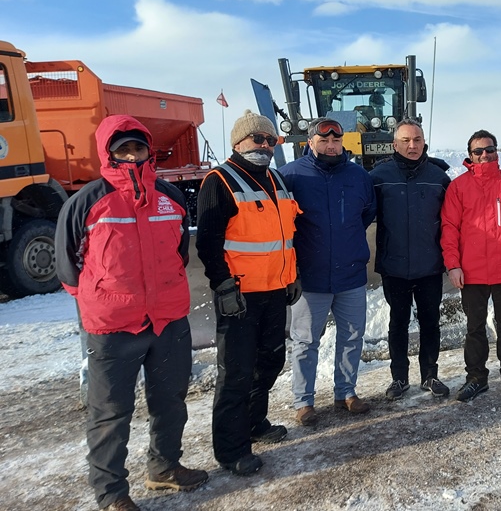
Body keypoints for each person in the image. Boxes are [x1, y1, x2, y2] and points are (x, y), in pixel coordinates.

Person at [56, 115, 207, 511]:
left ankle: (164, 468)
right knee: (110, 414)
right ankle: (111, 494)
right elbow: (67, 266)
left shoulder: (170, 197)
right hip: (113, 327)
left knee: (171, 400)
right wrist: (101, 298)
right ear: (108, 153)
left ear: (148, 151)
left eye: (137, 147)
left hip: (168, 320)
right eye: (121, 148)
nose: (131, 155)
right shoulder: (87, 201)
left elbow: (179, 252)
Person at [196, 110, 300, 476]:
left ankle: (255, 423)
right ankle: (230, 448)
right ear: (238, 142)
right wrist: (222, 285)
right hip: (239, 296)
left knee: (270, 361)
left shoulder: (276, 180)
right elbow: (208, 241)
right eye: (258, 139)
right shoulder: (219, 181)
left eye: (270, 140)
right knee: (236, 372)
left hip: (274, 290)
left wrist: (292, 274)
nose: (265, 146)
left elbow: (286, 235)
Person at [280, 117, 376, 422]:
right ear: (310, 142)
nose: (331, 146)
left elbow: (366, 214)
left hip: (350, 275)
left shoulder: (359, 176)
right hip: (310, 277)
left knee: (352, 336)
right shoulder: (291, 176)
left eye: (336, 141)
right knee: (306, 340)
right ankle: (303, 402)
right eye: (324, 141)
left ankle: (345, 392)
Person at [441, 130, 501, 402]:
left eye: (490, 149)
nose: (485, 155)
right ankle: (476, 378)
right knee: (474, 328)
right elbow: (450, 229)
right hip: (470, 272)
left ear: (496, 152)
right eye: (478, 151)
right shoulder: (459, 187)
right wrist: (453, 265)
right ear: (470, 156)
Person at [368, 119, 452, 401]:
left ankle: (430, 374)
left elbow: (452, 221)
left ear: (424, 141)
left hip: (429, 265)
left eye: (417, 139)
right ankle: (399, 378)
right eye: (405, 140)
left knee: (431, 322)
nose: (412, 145)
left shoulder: (439, 176)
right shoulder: (379, 176)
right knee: (398, 323)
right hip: (394, 266)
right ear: (395, 144)